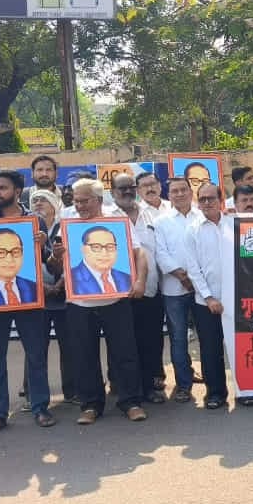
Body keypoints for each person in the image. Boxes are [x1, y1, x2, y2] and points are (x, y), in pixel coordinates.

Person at [49, 179, 148, 424]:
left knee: (125, 353)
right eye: (76, 201)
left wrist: (140, 281)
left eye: (84, 201)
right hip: (80, 304)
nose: (79, 206)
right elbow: (56, 265)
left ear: (99, 200)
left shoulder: (117, 219)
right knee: (83, 355)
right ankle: (91, 404)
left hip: (116, 300)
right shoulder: (68, 222)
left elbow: (139, 252)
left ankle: (130, 402)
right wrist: (56, 256)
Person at [0, 170, 55, 433]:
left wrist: (43, 245)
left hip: (28, 296)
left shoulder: (35, 220)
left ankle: (40, 407)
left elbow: (44, 260)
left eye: (3, 188)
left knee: (36, 354)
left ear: (17, 192)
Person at [112, 174, 168, 406]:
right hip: (119, 292)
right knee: (123, 344)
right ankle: (125, 388)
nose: (127, 191)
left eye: (131, 187)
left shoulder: (152, 214)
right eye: (121, 188)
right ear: (112, 191)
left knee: (150, 341)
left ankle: (148, 387)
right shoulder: (107, 216)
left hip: (151, 289)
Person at [181, 184, 234, 410]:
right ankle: (215, 394)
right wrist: (209, 297)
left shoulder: (234, 224)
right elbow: (193, 269)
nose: (206, 203)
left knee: (239, 346)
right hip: (206, 302)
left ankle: (245, 391)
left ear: (221, 200)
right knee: (211, 349)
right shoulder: (192, 230)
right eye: (202, 199)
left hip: (236, 298)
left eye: (211, 198)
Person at [153, 177, 203, 404]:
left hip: (202, 288)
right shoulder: (161, 221)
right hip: (173, 289)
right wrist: (182, 276)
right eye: (175, 191)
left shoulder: (202, 217)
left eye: (184, 190)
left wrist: (195, 279)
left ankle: (213, 380)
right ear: (169, 195)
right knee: (179, 338)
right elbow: (160, 253)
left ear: (191, 193)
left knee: (207, 336)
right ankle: (184, 384)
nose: (180, 194)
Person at [29, 189, 76, 405]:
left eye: (43, 200)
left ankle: (72, 391)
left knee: (69, 346)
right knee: (36, 348)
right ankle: (34, 395)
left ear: (54, 205)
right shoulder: (25, 228)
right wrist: (41, 286)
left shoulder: (64, 226)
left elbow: (72, 257)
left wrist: (59, 284)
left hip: (64, 295)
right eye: (35, 200)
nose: (38, 203)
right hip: (36, 297)